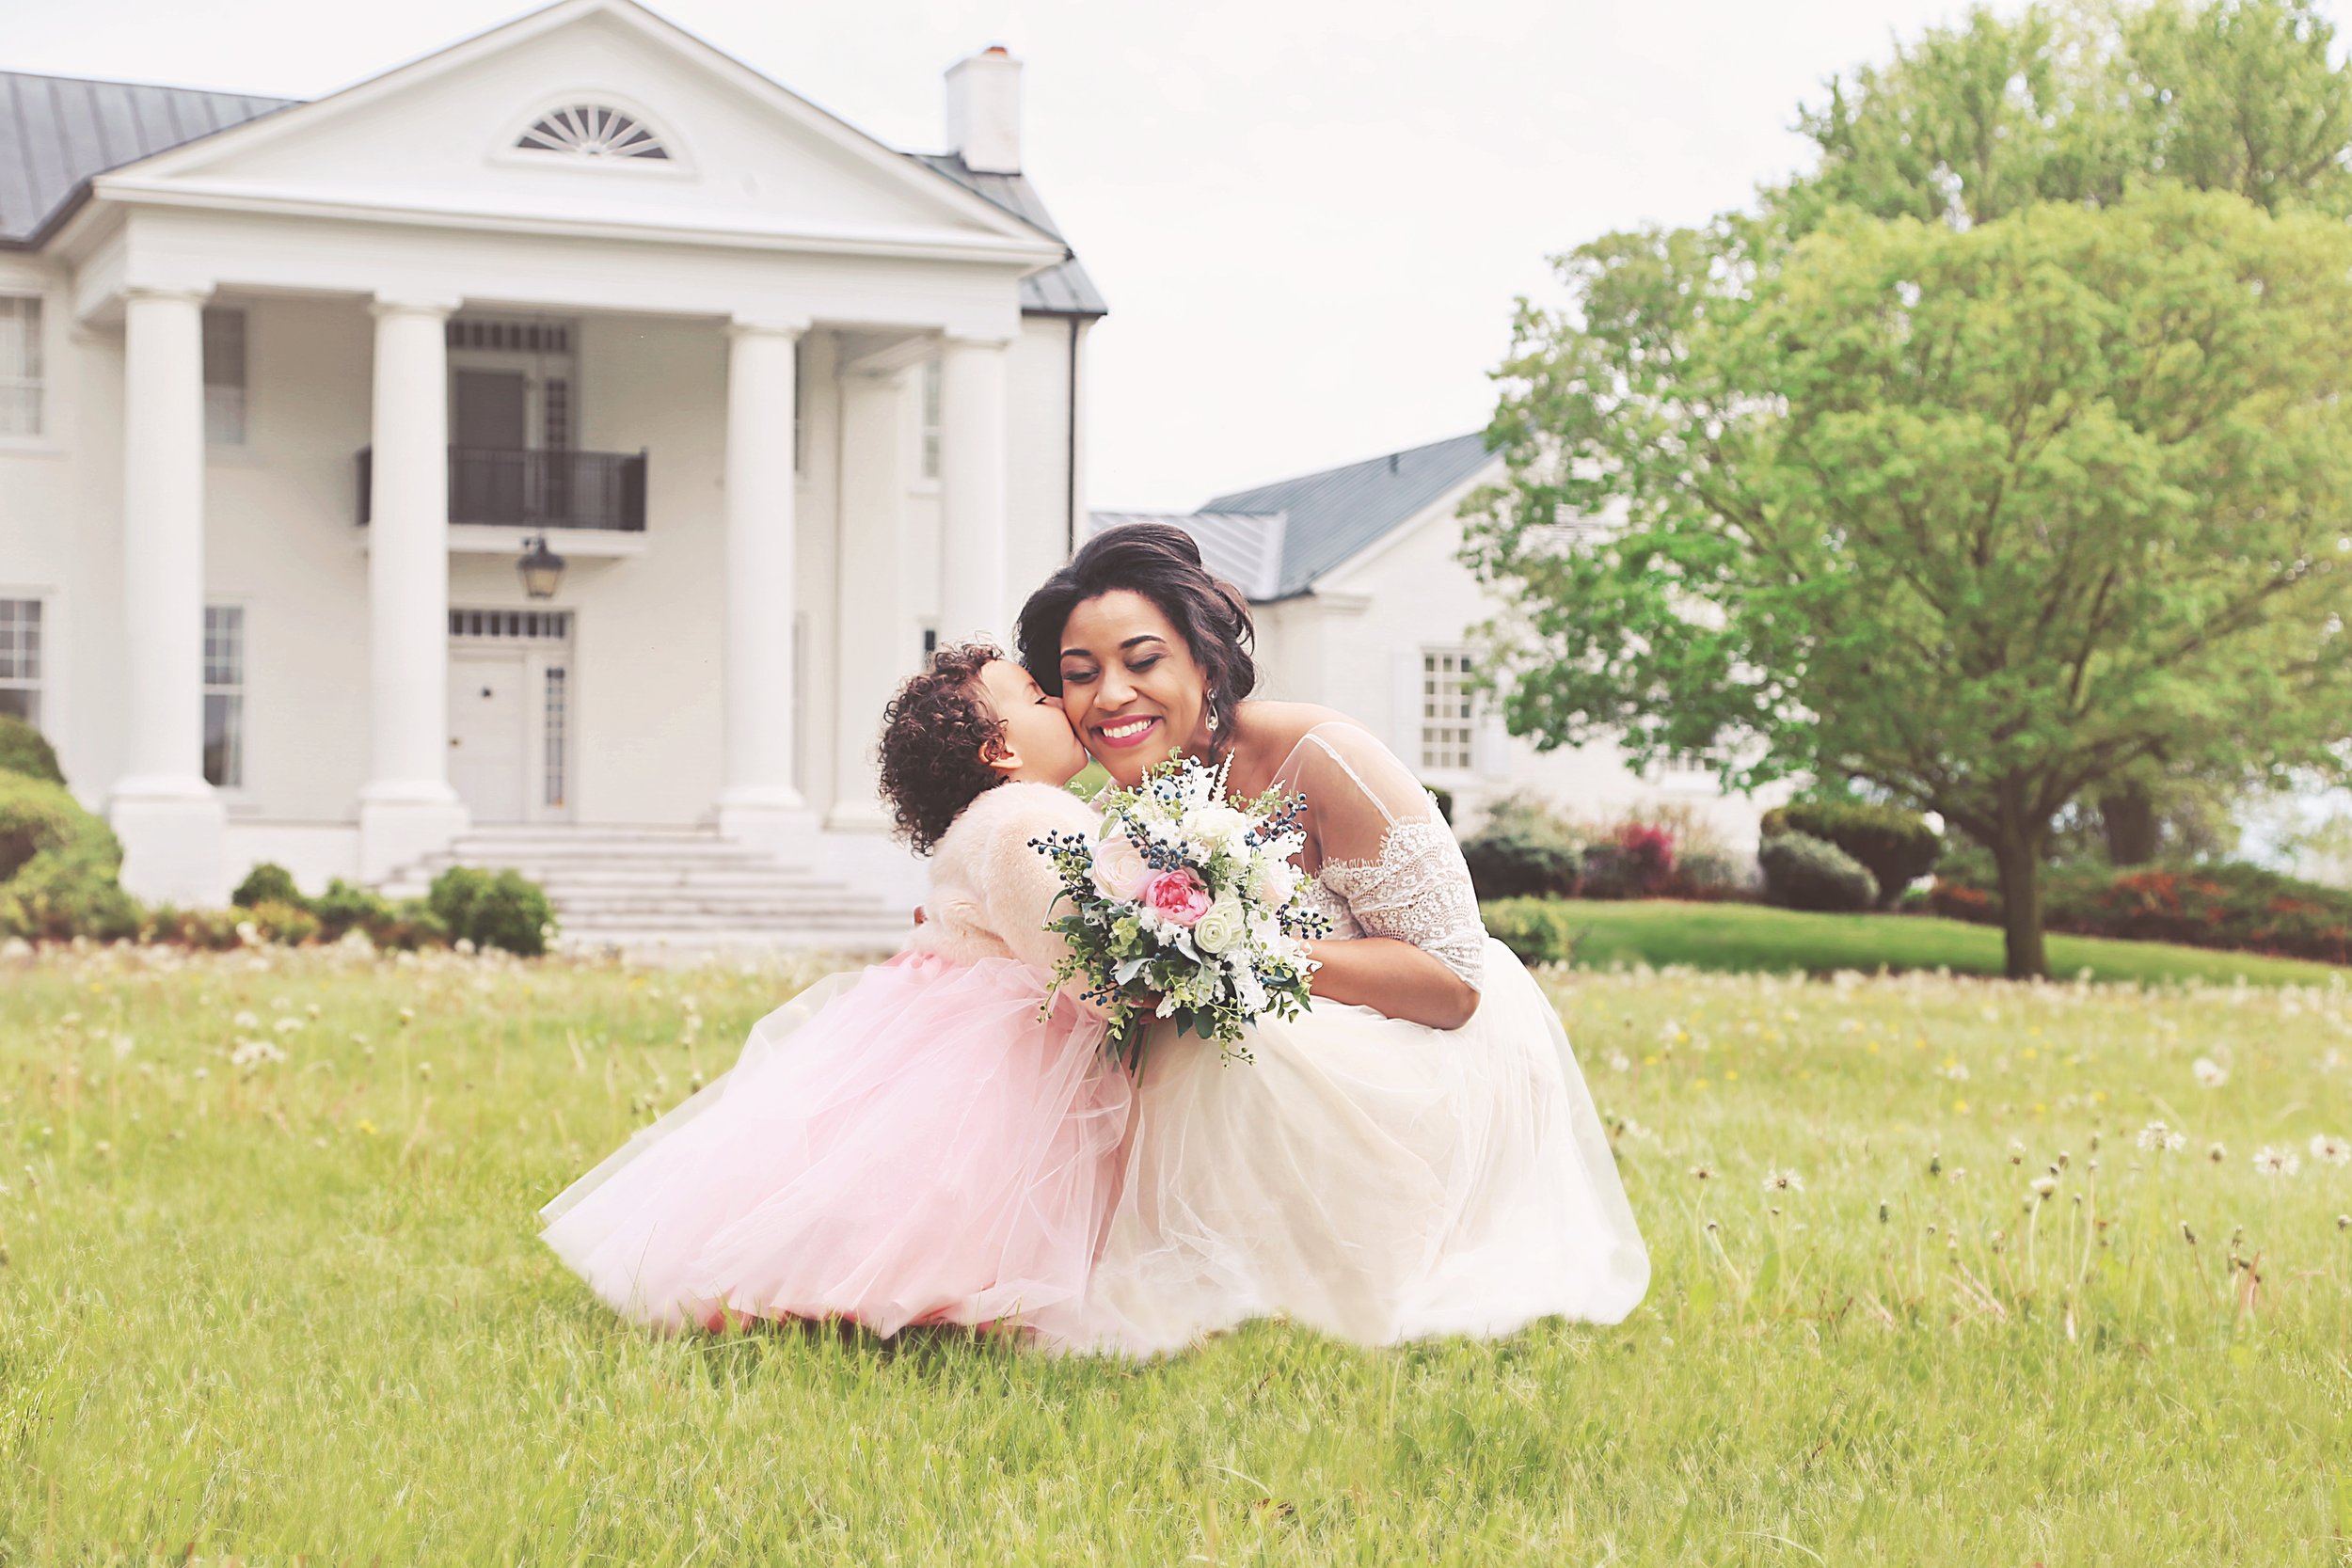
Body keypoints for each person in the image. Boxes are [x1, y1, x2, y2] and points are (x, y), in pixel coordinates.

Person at [1018, 522, 1650, 1355]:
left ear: (1205, 665)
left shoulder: (1319, 756)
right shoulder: (1112, 821)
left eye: (1143, 661)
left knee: (1236, 1033)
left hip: (1426, 1069)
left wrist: (1229, 952)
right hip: (1268, 1085)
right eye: (1080, 674)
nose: (1110, 697)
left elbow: (1456, 982)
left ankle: (1283, 1272)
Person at [538, 644, 1130, 1343]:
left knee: (912, 1174)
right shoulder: (1028, 819)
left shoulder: (1008, 814)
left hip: (946, 1019)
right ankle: (929, 1297)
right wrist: (1141, 994)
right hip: (999, 1036)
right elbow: (1072, 949)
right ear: (1000, 750)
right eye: (1037, 697)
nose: (1062, 702)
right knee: (963, 1181)